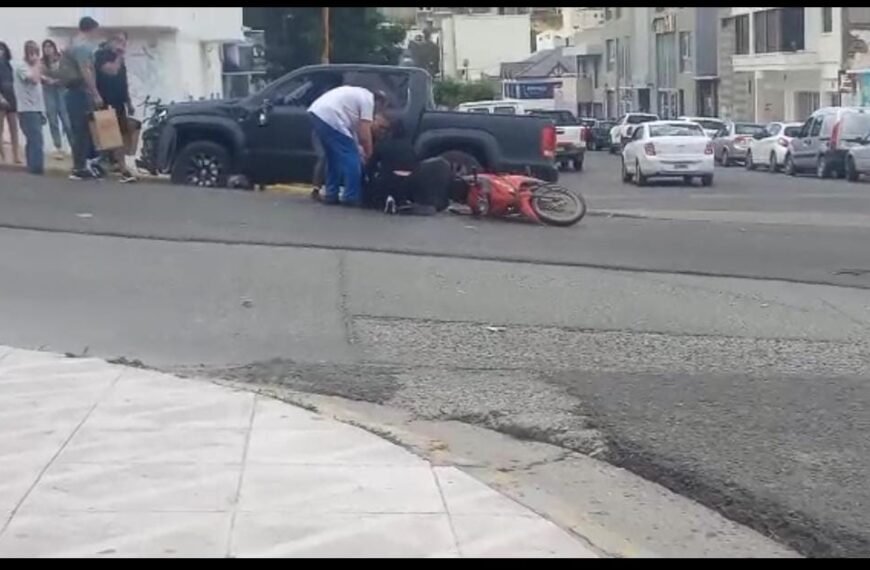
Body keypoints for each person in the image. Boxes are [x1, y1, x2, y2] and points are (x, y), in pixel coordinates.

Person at [308, 84, 387, 206]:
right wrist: (369, 152)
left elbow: (355, 135)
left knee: (333, 157)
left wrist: (362, 149)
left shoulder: (358, 95)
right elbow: (364, 133)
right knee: (351, 156)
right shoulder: (368, 101)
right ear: (379, 102)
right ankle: (351, 196)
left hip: (317, 112)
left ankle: (331, 194)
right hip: (331, 115)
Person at [60, 16, 102, 180]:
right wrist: (95, 93)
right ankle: (79, 167)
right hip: (79, 92)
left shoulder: (73, 44)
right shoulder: (83, 47)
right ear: (91, 29)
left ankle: (83, 164)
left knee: (82, 130)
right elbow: (86, 71)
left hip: (73, 92)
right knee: (81, 130)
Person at [94, 34, 135, 183]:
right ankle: (120, 167)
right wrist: (118, 56)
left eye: (124, 42)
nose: (121, 44)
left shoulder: (120, 59)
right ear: (110, 41)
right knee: (110, 135)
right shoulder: (101, 55)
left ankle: (117, 163)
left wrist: (129, 102)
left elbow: (123, 81)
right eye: (118, 41)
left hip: (119, 101)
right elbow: (111, 71)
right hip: (106, 100)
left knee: (122, 134)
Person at [12, 40, 46, 175]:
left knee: (33, 140)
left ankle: (33, 167)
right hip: (27, 109)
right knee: (36, 140)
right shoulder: (22, 66)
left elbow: (42, 79)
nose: (34, 56)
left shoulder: (32, 68)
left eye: (36, 52)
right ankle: (36, 169)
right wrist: (38, 64)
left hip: (36, 108)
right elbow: (34, 79)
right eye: (31, 53)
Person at [41, 39, 72, 159]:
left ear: (54, 47)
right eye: (45, 47)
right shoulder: (42, 62)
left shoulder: (61, 59)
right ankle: (57, 145)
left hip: (61, 90)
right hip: (48, 91)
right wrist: (47, 79)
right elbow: (40, 75)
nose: (48, 49)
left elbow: (67, 73)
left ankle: (71, 144)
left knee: (66, 119)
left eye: (50, 46)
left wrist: (58, 80)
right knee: (52, 119)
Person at [0, 41, 22, 164]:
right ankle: (2, 155)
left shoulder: (9, 65)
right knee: (1, 129)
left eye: (2, 49)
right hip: (1, 97)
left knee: (14, 128)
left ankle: (16, 155)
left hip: (11, 97)